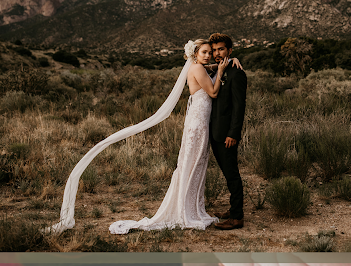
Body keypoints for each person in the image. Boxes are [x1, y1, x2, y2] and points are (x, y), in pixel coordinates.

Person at [44, 38, 241, 235]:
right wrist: (223, 70)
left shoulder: (199, 67)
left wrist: (231, 60)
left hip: (199, 123)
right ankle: (185, 210)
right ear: (195, 54)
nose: (208, 56)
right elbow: (214, 93)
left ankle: (191, 208)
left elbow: (216, 65)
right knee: (191, 164)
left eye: (210, 52)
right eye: (204, 52)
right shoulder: (198, 69)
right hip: (198, 125)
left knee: (194, 164)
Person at [208, 33, 247, 230]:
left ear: (230, 50)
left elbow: (239, 107)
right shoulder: (217, 69)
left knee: (232, 174)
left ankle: (237, 217)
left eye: (221, 49)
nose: (217, 53)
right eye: (214, 50)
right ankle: (233, 210)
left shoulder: (236, 72)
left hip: (226, 135)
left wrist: (234, 133)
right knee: (227, 173)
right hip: (214, 132)